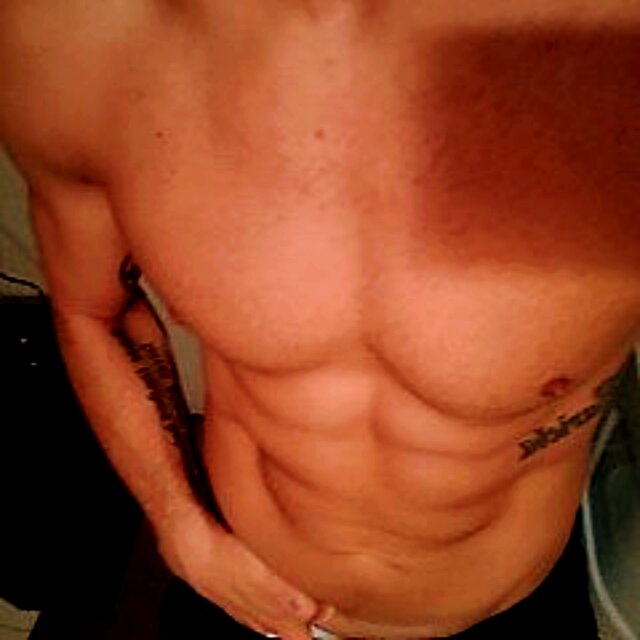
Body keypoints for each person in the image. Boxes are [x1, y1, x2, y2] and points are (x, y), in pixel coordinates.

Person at [1, 2, 639, 638]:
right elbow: (93, 310)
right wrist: (180, 525)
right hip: (244, 593)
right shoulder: (80, 39)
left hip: (506, 612)